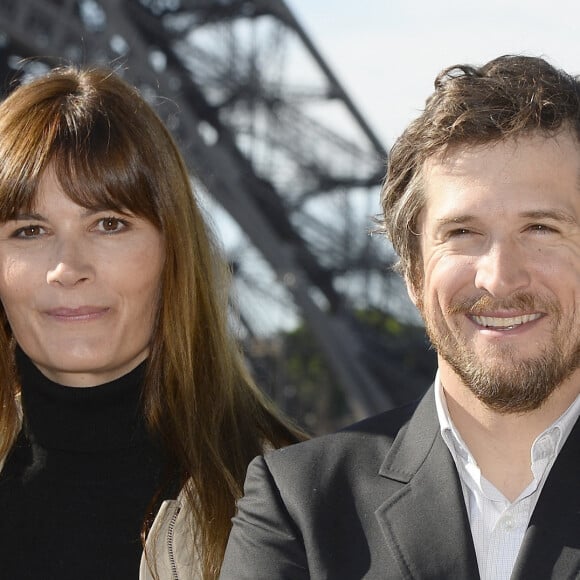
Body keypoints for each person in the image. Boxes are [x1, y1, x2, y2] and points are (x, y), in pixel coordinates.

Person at [220, 54, 580, 580]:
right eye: (463, 233)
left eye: (541, 229)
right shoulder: (297, 505)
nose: (500, 279)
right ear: (412, 274)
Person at [0, 65, 305, 580]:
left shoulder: (303, 506)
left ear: (172, 251)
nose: (68, 268)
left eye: (109, 224)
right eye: (30, 230)